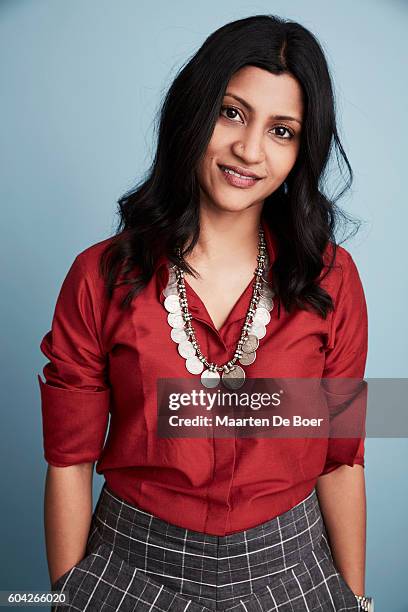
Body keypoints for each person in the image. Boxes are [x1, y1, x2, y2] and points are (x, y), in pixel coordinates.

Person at [38, 13, 373, 612]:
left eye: (282, 130)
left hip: (294, 571)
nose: (248, 150)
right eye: (232, 112)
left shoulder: (333, 279)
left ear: (303, 149)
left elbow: (341, 459)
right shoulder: (98, 277)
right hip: (128, 569)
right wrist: (69, 595)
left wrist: (354, 599)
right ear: (195, 113)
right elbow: (69, 460)